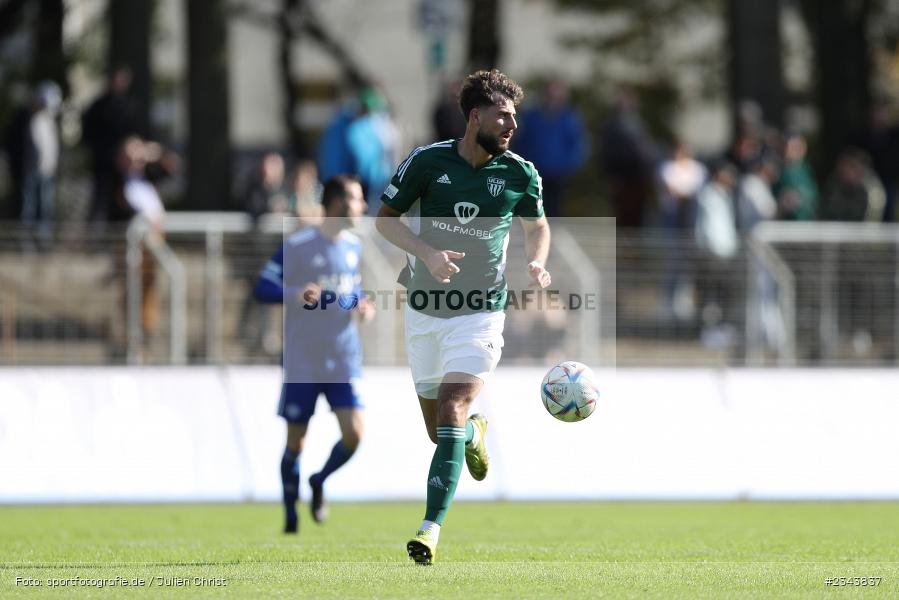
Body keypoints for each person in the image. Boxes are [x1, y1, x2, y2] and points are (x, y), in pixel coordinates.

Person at [375, 69, 552, 564]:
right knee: (441, 432)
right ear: (476, 117)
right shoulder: (427, 163)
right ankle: (474, 432)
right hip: (425, 311)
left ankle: (429, 530)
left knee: (452, 405)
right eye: (504, 116)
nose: (512, 126)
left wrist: (537, 259)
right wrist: (428, 253)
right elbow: (384, 222)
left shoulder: (520, 172)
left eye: (515, 118)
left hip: (482, 312)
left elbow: (538, 225)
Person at [253, 175, 374, 535]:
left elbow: (347, 292)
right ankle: (290, 517)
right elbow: (263, 287)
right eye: (357, 199)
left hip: (343, 357)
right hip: (303, 359)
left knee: (354, 434)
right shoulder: (299, 244)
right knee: (296, 442)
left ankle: (319, 481)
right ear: (337, 203)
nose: (363, 206)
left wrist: (361, 304)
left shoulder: (353, 247)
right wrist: (294, 292)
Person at [513, 78, 588, 217]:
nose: (553, 100)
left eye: (557, 96)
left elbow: (578, 146)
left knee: (554, 210)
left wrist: (570, 166)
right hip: (534, 172)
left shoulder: (571, 118)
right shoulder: (531, 116)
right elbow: (521, 142)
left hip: (559, 174)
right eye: (550, 95)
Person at [3, 81, 61, 248]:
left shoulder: (48, 120)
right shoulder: (23, 118)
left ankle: (43, 243)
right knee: (28, 209)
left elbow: (51, 147)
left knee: (45, 209)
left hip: (46, 172)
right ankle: (26, 243)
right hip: (28, 172)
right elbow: (14, 146)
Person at [82, 67, 140, 223]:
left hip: (123, 162)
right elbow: (89, 134)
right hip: (102, 160)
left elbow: (134, 133)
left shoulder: (130, 106)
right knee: (100, 199)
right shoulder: (98, 106)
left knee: (123, 199)